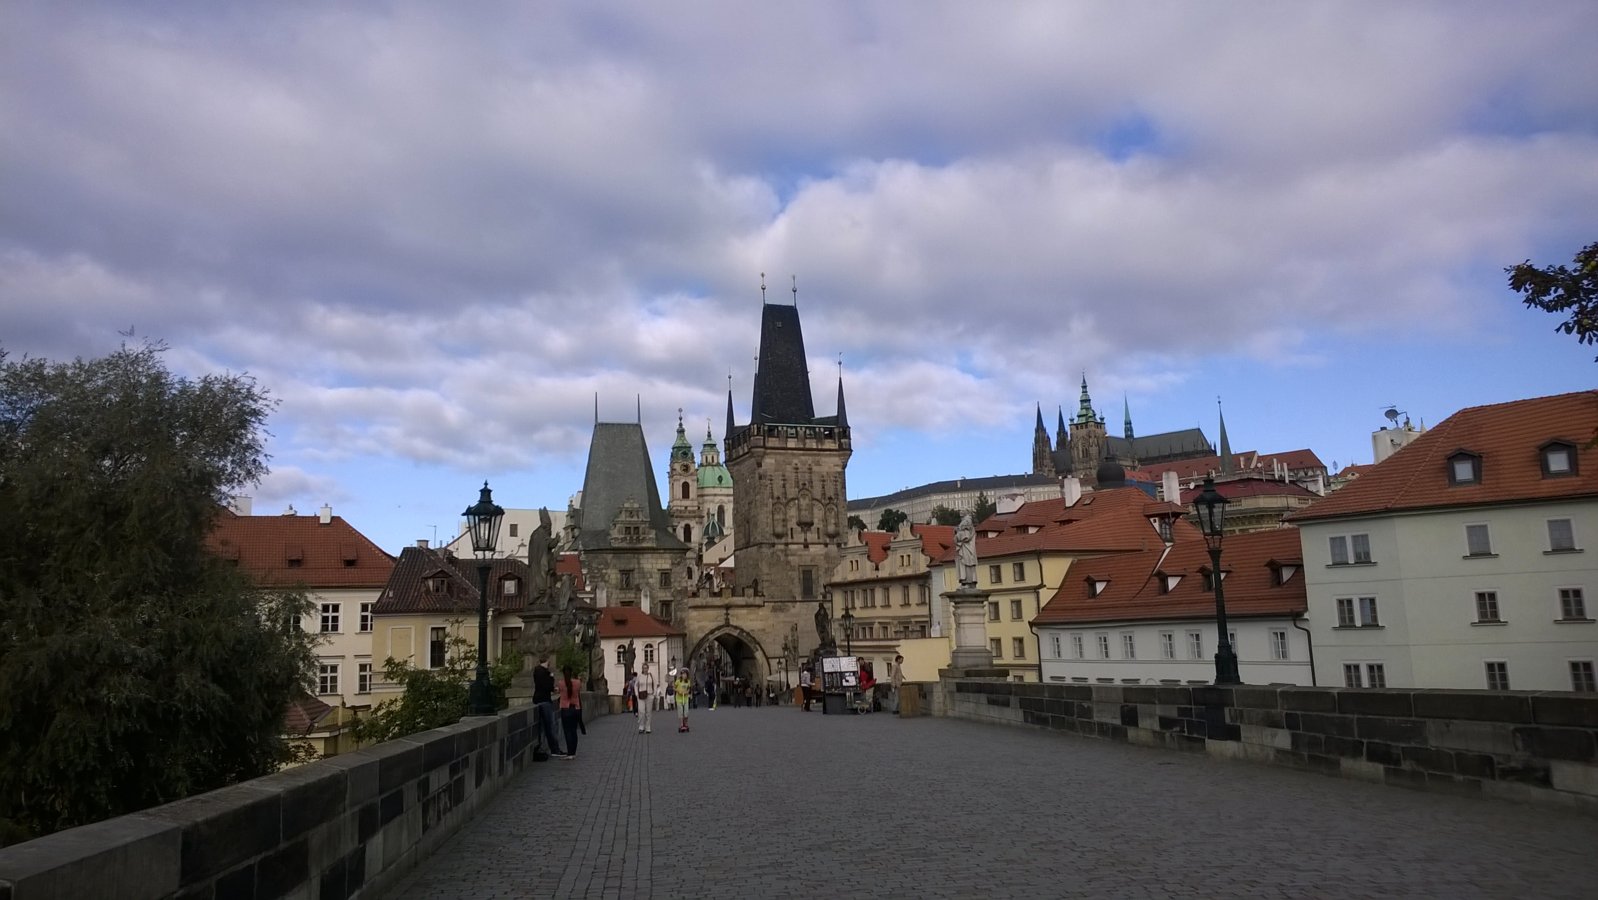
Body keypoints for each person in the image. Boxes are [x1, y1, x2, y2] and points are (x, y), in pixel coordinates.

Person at [532, 654, 566, 758]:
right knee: (550, 726)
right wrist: (552, 680)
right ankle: (555, 750)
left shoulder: (536, 671)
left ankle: (543, 748)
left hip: (538, 699)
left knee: (543, 727)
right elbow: (546, 686)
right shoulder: (545, 672)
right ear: (547, 660)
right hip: (544, 700)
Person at [557, 664, 584, 759]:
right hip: (575, 708)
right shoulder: (577, 682)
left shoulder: (561, 683)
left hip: (565, 709)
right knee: (573, 731)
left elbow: (559, 691)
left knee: (567, 731)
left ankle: (570, 752)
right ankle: (573, 752)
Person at [634, 662, 656, 734]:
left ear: (648, 668)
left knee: (648, 712)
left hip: (649, 695)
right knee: (641, 711)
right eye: (644, 668)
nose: (645, 669)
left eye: (646, 668)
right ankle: (641, 726)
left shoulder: (651, 676)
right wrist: (637, 694)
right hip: (641, 695)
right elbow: (636, 685)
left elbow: (655, 684)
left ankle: (648, 727)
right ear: (642, 669)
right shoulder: (639, 676)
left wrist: (654, 694)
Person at [674, 667, 693, 732]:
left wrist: (687, 692)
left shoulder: (688, 682)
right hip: (679, 699)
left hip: (685, 698)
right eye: (682, 674)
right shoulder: (678, 681)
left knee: (686, 712)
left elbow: (689, 689)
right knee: (680, 712)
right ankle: (681, 724)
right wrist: (678, 691)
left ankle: (686, 724)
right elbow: (674, 687)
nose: (684, 675)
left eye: (685, 674)